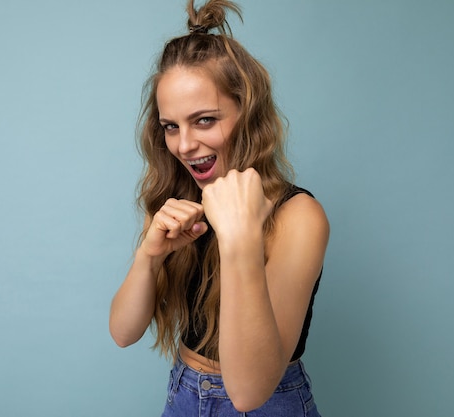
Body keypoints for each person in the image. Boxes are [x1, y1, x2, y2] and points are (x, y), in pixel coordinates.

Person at [109, 0, 329, 415]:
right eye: (171, 126)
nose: (185, 145)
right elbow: (123, 332)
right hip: (183, 395)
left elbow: (248, 392)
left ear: (247, 113)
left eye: (205, 120)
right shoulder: (174, 201)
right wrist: (149, 257)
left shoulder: (297, 215)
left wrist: (240, 240)